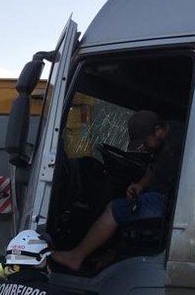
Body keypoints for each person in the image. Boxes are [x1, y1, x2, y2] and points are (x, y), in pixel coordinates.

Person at [52, 110, 184, 271]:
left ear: (158, 130)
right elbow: (153, 169)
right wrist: (140, 185)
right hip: (170, 199)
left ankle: (76, 257)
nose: (143, 148)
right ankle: (112, 256)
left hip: (172, 205)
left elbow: (161, 173)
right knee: (129, 206)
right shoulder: (169, 134)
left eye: (145, 142)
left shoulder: (176, 146)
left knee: (115, 209)